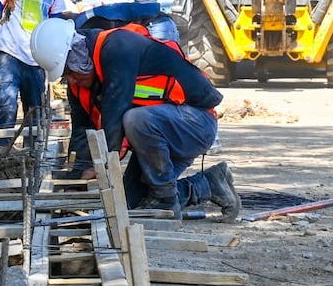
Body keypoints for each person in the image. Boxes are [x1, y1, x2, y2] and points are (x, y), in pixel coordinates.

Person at [29, 17, 240, 222]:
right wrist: (76, 180)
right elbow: (81, 130)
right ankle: (209, 184)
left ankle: (166, 199)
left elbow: (114, 114)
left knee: (134, 119)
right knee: (131, 204)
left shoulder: (118, 47)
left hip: (195, 124)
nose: (71, 80)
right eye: (65, 76)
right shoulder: (79, 82)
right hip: (158, 137)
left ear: (78, 55)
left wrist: (101, 168)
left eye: (70, 72)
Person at [0, 0, 68, 146]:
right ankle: (2, 150)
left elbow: (56, 21)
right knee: (6, 101)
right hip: (10, 51)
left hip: (37, 57)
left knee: (34, 109)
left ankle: (32, 154)